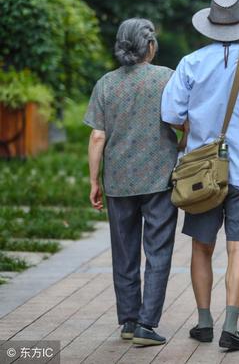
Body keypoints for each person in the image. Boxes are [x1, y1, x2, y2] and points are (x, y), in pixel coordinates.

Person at [161, 0, 239, 351]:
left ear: (210, 25)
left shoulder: (190, 62)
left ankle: (204, 322)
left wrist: (194, 134)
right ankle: (231, 327)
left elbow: (170, 115)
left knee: (202, 248)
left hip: (203, 174)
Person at [84, 18, 179, 346]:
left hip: (118, 183)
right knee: (158, 251)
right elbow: (185, 122)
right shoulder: (167, 78)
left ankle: (128, 320)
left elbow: (98, 136)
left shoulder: (106, 84)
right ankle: (146, 325)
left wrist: (94, 180)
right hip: (159, 180)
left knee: (123, 252)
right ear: (150, 46)